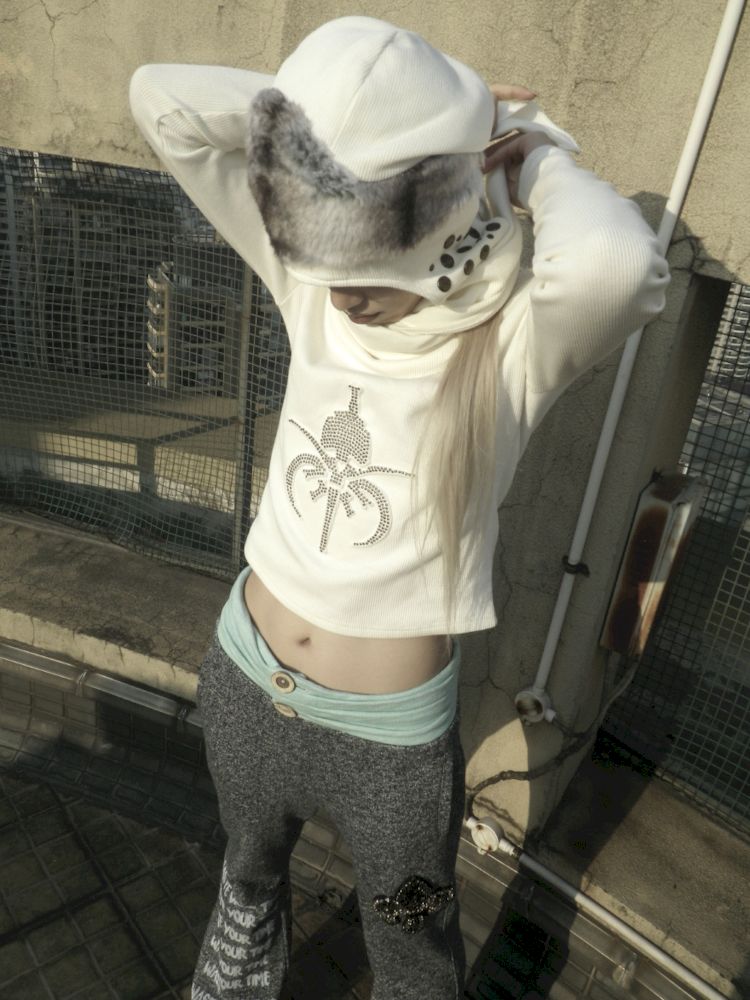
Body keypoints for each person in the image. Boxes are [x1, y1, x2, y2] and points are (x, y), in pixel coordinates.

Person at [129, 15, 668, 999]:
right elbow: (159, 102)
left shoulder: (509, 348)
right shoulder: (308, 288)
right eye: (325, 263)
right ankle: (245, 927)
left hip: (389, 753)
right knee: (246, 876)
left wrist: (519, 149)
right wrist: (321, 141)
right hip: (242, 683)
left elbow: (620, 267)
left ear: (444, 215)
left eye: (366, 264)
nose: (340, 297)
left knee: (414, 934)